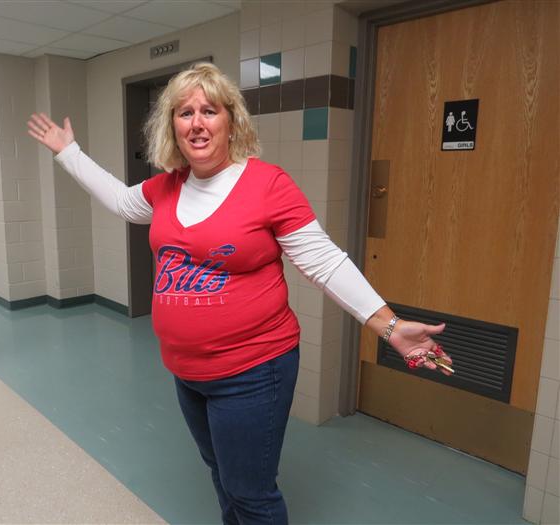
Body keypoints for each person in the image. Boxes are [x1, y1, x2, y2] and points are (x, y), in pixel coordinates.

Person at [27, 62, 453, 525]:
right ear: (173, 126)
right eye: (185, 113)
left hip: (253, 371)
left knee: (251, 494)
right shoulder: (166, 187)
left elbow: (325, 262)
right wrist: (69, 153)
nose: (197, 123)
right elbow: (121, 201)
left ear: (231, 121)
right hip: (187, 372)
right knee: (222, 474)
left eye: (209, 111)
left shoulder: (267, 185)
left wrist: (390, 326)